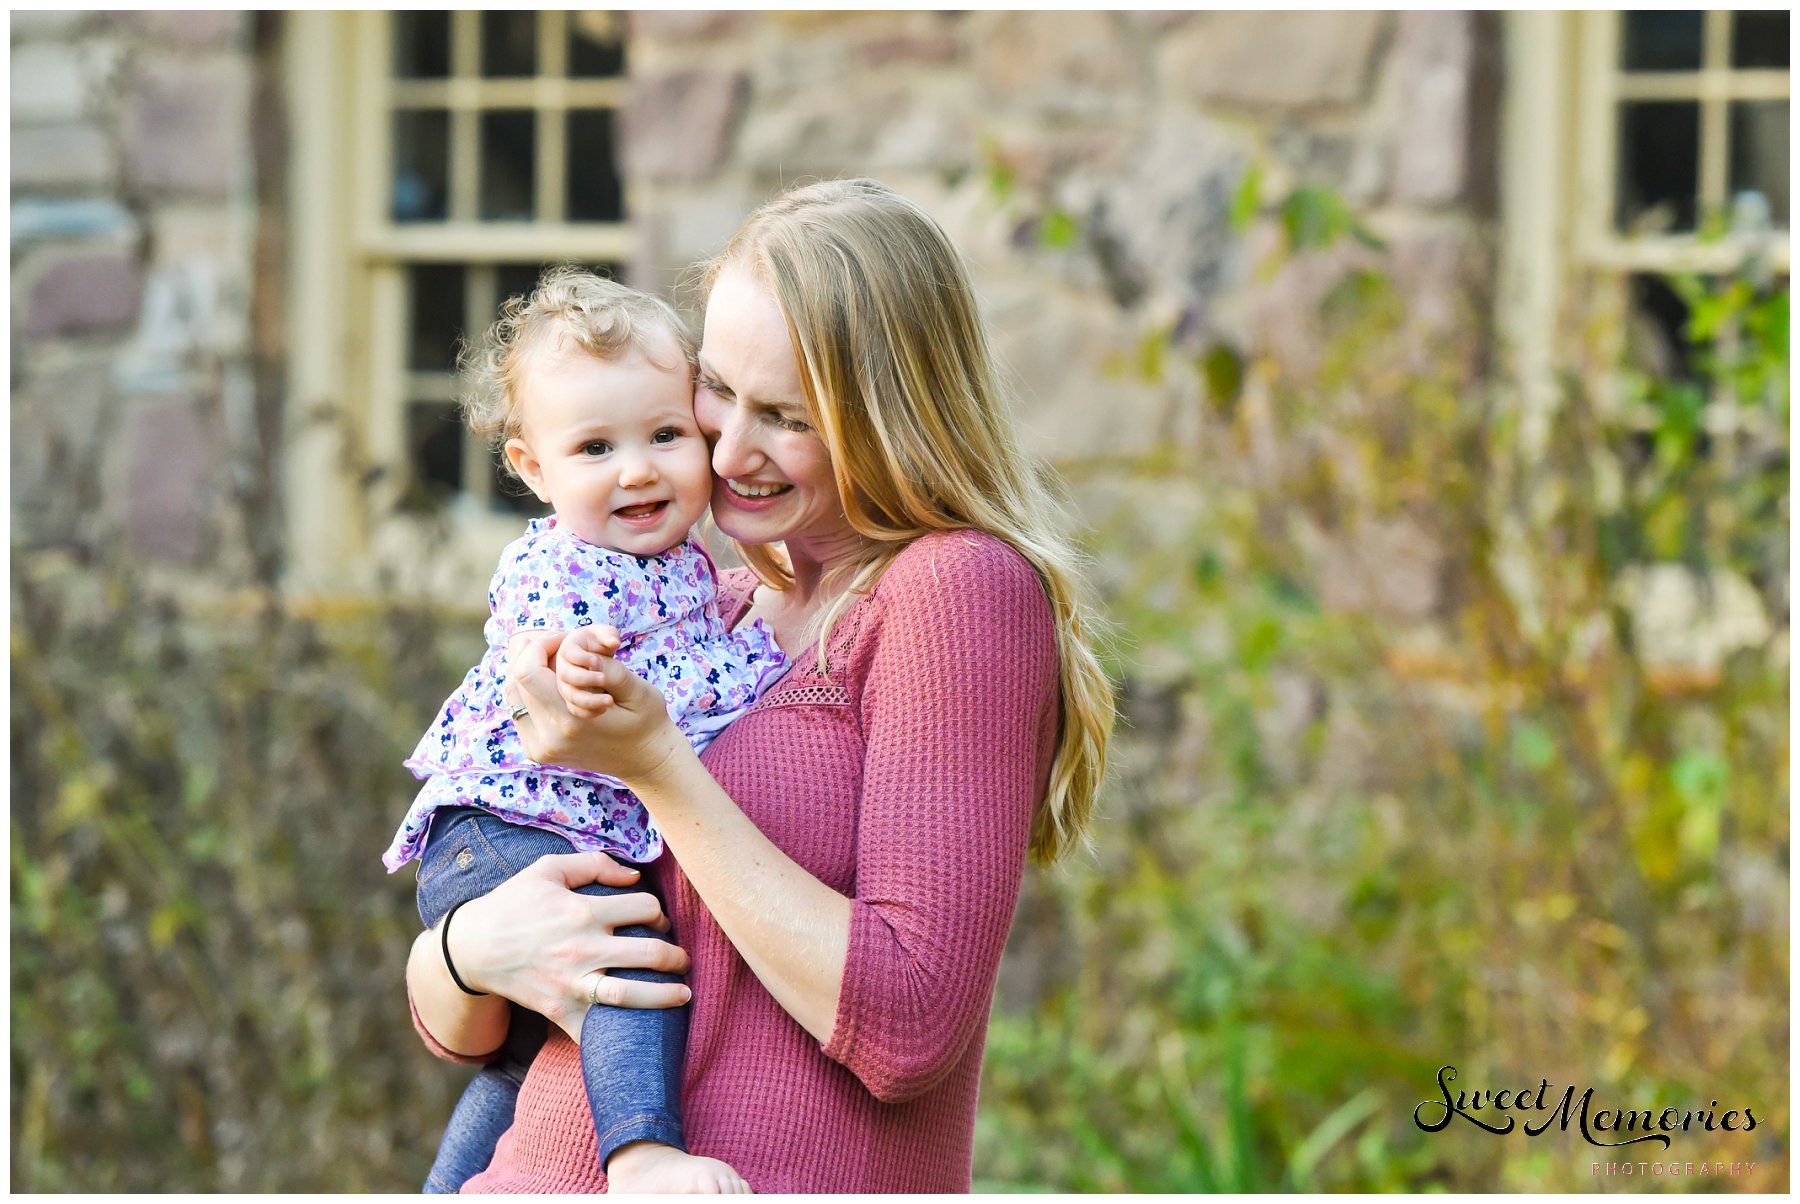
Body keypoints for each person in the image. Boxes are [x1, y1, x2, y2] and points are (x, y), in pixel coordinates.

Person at [405, 178, 1116, 1192]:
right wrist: (471, 949)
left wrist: (654, 766)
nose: (729, 452)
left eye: (783, 416)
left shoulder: (955, 591)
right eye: (718, 392)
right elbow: (475, 1032)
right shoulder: (712, 613)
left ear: (891, 415)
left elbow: (911, 1024)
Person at [387, 267, 785, 1193]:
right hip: (501, 830)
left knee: (529, 1059)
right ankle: (644, 1157)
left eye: (664, 434)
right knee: (626, 956)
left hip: (541, 828)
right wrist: (570, 665)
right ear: (533, 469)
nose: (637, 468)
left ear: (703, 429)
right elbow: (545, 648)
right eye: (596, 446)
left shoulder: (688, 568)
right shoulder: (561, 565)